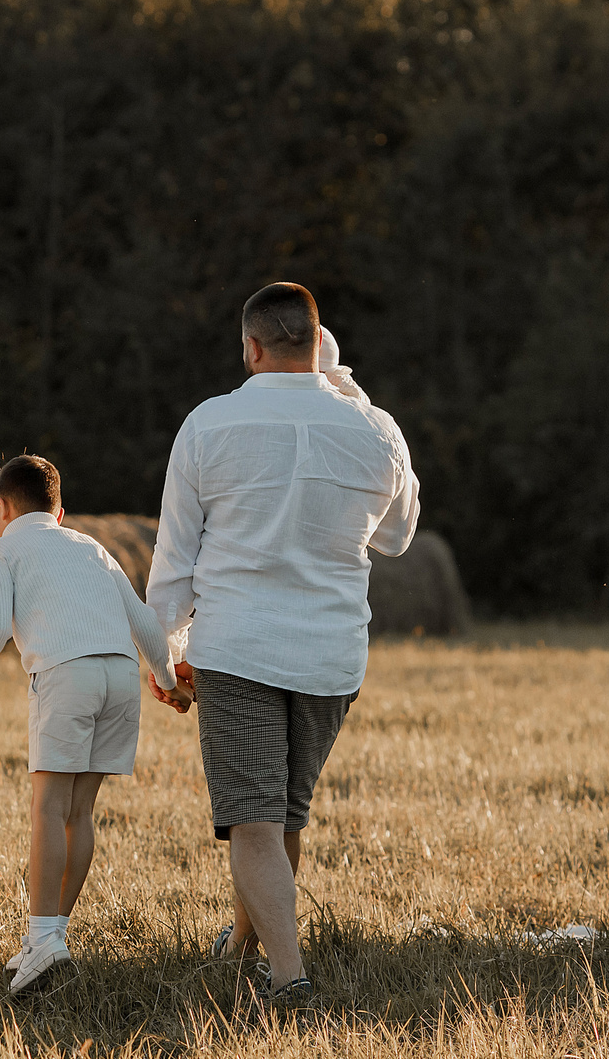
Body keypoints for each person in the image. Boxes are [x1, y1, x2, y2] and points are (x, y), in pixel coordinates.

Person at [146, 282, 419, 1011]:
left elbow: (173, 561)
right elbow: (398, 534)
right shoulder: (374, 430)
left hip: (238, 648)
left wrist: (161, 652)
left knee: (256, 820)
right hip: (332, 658)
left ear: (251, 347)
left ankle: (289, 978)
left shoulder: (209, 424)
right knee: (280, 815)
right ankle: (243, 943)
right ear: (319, 345)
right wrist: (348, 388)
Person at [0, 455, 179, 997]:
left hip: (67, 677)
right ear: (59, 512)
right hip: (119, 676)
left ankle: (42, 940)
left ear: (1, 506)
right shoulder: (92, 547)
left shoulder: (1, 551)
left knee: (47, 807)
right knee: (79, 812)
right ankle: (50, 935)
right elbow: (142, 620)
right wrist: (165, 678)